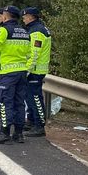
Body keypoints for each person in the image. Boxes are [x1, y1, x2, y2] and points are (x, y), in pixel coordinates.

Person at [0, 6, 31, 144]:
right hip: (22, 72)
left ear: (6, 16)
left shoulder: (3, 30)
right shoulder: (24, 32)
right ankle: (19, 134)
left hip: (7, 73)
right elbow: (29, 52)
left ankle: (4, 133)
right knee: (19, 103)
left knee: (5, 102)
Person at [23, 7, 52, 137]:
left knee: (35, 98)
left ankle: (39, 126)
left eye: (24, 16)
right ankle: (31, 121)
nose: (23, 19)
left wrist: (27, 70)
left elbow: (34, 53)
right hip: (35, 69)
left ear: (30, 17)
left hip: (35, 70)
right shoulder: (37, 28)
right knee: (30, 97)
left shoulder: (37, 31)